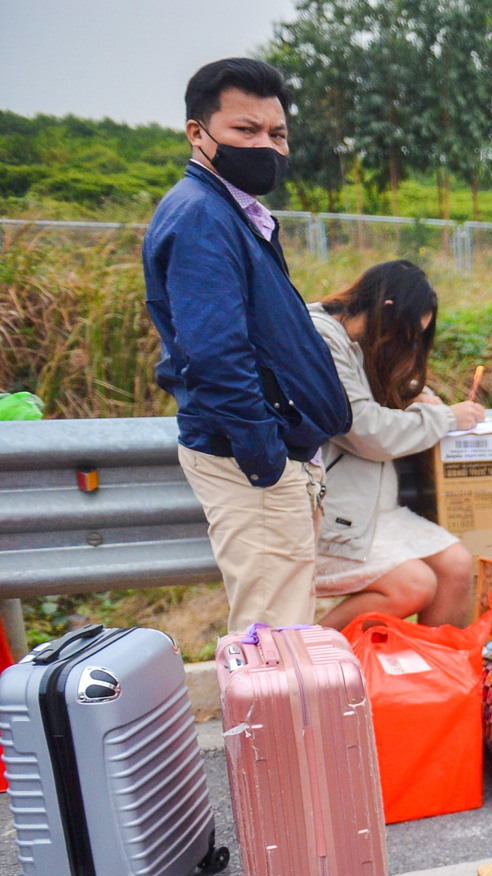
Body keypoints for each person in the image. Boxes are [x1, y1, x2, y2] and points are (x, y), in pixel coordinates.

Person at [143, 58, 350, 633]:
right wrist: (265, 457)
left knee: (280, 635)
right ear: (198, 133)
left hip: (269, 458)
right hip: (251, 463)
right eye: (245, 130)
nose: (266, 145)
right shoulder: (203, 217)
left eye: (276, 133)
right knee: (272, 646)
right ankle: (269, 730)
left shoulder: (233, 214)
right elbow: (214, 355)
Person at [307, 260, 482, 629]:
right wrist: (447, 418)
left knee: (457, 566)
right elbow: (365, 429)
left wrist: (419, 397)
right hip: (327, 515)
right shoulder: (321, 338)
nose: (409, 345)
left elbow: (382, 388)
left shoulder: (357, 338)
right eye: (407, 335)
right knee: (413, 586)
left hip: (368, 507)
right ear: (387, 310)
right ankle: (307, 656)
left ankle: (433, 681)